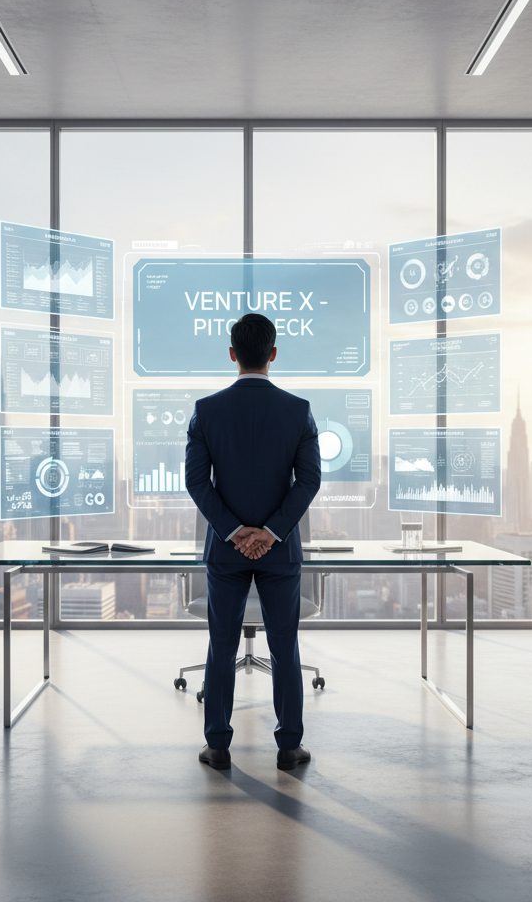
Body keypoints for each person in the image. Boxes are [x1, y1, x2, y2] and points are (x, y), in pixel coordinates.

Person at [184, 312, 322, 772]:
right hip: (279, 552)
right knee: (286, 646)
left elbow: (196, 483)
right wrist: (270, 532)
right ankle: (289, 747)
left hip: (226, 552)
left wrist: (235, 531)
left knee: (220, 645)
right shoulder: (298, 410)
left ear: (232, 354)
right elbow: (309, 482)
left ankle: (218, 746)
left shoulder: (206, 411)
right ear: (273, 354)